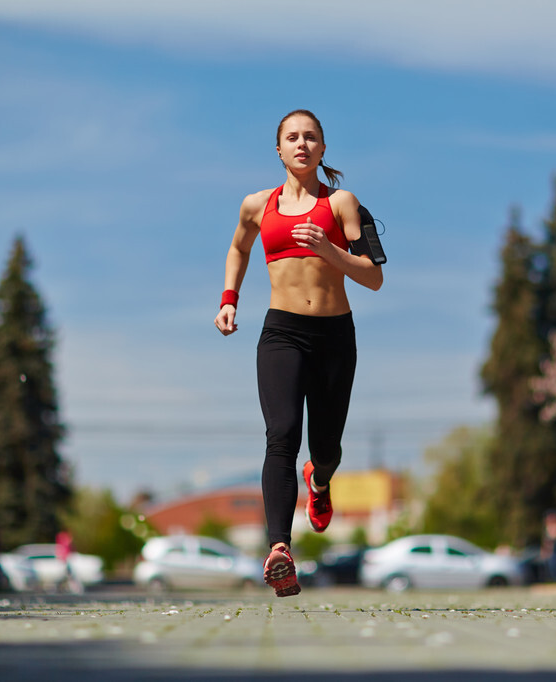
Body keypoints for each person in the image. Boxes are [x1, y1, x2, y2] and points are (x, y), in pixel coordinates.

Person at [214, 109, 383, 597]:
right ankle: (279, 549)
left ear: (323, 148)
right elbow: (238, 249)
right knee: (281, 435)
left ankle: (320, 479)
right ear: (279, 149)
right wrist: (229, 298)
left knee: (325, 446)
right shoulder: (255, 205)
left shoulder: (343, 203)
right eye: (293, 137)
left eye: (311, 137)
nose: (302, 144)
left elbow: (373, 277)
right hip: (281, 333)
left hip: (334, 335)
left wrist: (330, 250)